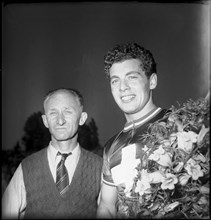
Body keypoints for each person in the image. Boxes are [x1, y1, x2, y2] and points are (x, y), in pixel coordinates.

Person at [2, 88, 103, 219]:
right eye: (53, 113)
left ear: (82, 118)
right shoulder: (27, 167)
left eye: (67, 112)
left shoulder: (99, 167)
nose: (60, 121)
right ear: (45, 120)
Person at [96, 43, 168, 218]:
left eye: (132, 77)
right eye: (115, 80)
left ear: (152, 81)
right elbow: (106, 206)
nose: (123, 87)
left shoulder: (179, 125)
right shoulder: (111, 147)